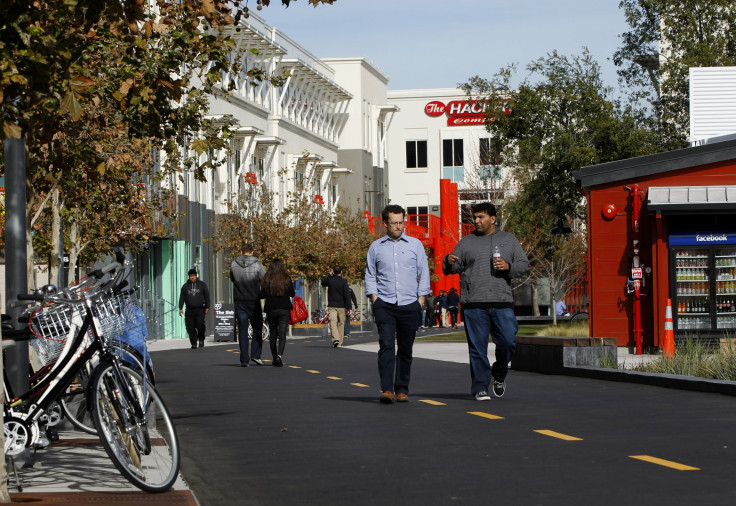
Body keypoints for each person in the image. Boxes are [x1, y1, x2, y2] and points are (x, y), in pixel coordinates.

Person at [443, 202, 528, 401]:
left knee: (508, 343)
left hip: (502, 302)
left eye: (481, 217)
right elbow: (453, 267)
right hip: (474, 303)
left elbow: (523, 265)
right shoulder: (466, 242)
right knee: (477, 348)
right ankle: (480, 387)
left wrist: (508, 267)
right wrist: (448, 261)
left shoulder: (509, 240)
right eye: (475, 217)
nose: (476, 221)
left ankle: (498, 374)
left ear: (493, 219)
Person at [365, 204, 430, 404]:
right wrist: (374, 298)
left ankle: (401, 389)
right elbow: (370, 274)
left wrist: (420, 301)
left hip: (410, 304)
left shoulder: (415, 245)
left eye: (401, 222)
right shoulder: (376, 247)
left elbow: (424, 272)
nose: (398, 226)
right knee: (386, 347)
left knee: (405, 349)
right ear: (385, 223)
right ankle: (387, 389)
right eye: (394, 223)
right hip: (385, 304)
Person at [230, 245, 266, 367]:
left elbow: (232, 279)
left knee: (243, 331)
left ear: (241, 251)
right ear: (252, 251)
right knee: (257, 328)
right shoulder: (258, 264)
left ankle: (244, 359)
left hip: (240, 301)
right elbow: (264, 279)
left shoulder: (234, 264)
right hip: (254, 301)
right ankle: (256, 355)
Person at [259, 258, 295, 367]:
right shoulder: (286, 278)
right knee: (282, 333)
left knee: (273, 333)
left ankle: (274, 357)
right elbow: (292, 294)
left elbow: (262, 295)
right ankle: (280, 356)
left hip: (271, 308)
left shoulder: (267, 279)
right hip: (284, 308)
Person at [178, 268, 211, 349]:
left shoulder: (202, 285)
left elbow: (207, 296)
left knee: (200, 325)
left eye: (193, 276)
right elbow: (182, 297)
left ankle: (201, 339)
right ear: (189, 277)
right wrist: (180, 308)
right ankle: (193, 342)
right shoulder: (185, 286)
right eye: (191, 276)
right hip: (189, 310)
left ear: (196, 276)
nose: (192, 277)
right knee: (190, 327)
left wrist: (207, 306)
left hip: (200, 309)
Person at [321, 266, 351, 348]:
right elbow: (347, 295)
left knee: (332, 322)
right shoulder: (344, 282)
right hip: (342, 306)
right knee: (341, 323)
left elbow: (323, 283)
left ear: (333, 272)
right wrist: (349, 307)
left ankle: (335, 339)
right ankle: (339, 341)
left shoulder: (330, 280)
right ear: (341, 272)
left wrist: (329, 276)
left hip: (332, 305)